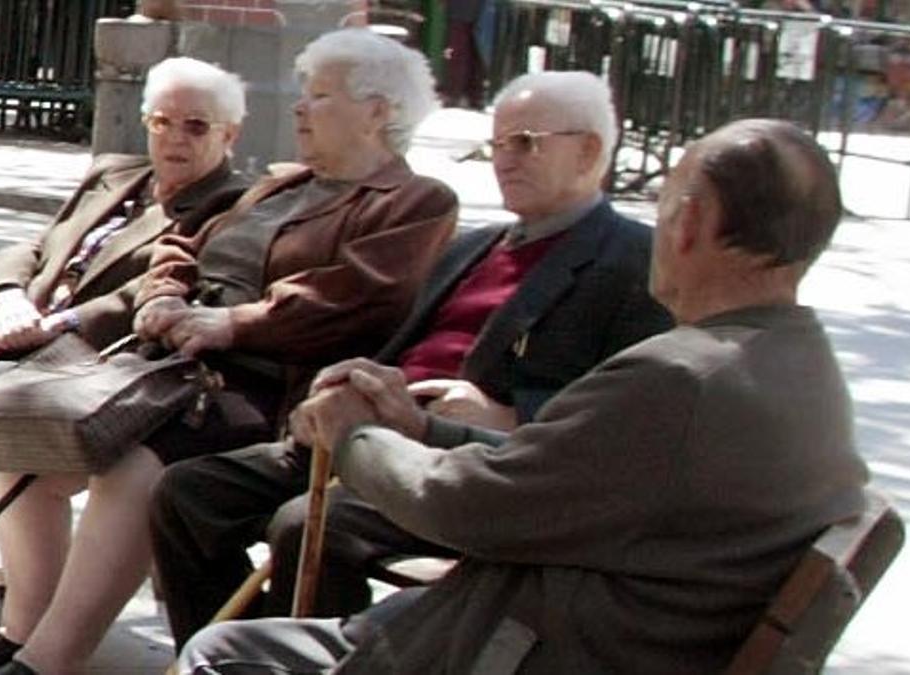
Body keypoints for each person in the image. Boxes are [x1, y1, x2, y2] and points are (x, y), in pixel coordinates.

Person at [173, 117, 871, 674]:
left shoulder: (680, 377)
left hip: (526, 648)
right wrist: (420, 427)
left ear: (686, 224)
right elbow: (565, 467)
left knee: (222, 655)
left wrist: (355, 438)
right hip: (596, 632)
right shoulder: (801, 363)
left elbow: (468, 505)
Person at [0, 28, 458, 675]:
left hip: (264, 388)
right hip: (168, 364)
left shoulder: (414, 202)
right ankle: (23, 628)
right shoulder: (281, 182)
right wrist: (163, 295)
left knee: (139, 467)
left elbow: (358, 295)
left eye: (319, 96)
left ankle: (48, 660)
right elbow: (182, 241)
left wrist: (232, 322)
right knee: (25, 444)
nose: (298, 109)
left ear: (379, 112)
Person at [148, 70, 673, 644]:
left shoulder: (631, 263)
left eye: (525, 143)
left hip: (471, 470)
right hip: (370, 433)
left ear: (590, 150)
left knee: (310, 525)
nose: (504, 160)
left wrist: (513, 414)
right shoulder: (477, 245)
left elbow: (629, 415)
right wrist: (339, 387)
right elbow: (392, 342)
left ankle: (316, 659)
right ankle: (244, 655)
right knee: (186, 493)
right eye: (496, 145)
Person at [0, 56, 251, 564]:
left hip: (95, 356)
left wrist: (56, 322)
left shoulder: (230, 205)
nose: (175, 138)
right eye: (161, 122)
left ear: (230, 135)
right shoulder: (114, 173)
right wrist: (9, 298)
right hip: (20, 331)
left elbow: (156, 294)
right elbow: (33, 247)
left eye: (196, 126)